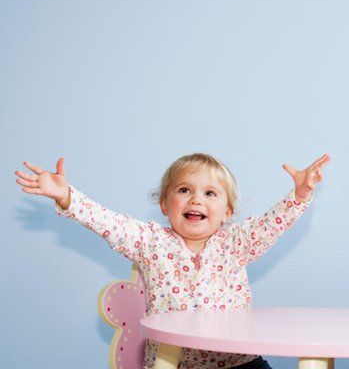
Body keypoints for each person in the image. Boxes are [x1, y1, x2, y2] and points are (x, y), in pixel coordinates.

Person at [15, 152, 330, 369]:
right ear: (165, 204)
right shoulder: (151, 242)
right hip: (173, 362)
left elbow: (271, 224)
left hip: (239, 362)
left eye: (210, 193)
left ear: (228, 212)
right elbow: (108, 222)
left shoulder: (236, 243)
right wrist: (67, 197)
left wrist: (299, 196)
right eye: (184, 190)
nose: (196, 199)